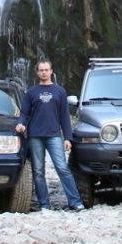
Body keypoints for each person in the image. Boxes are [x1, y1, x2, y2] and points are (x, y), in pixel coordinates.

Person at [15, 60, 85, 212]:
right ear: (37, 72)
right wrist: (21, 124)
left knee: (62, 167)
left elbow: (65, 116)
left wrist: (67, 137)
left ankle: (75, 201)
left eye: (46, 70)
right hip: (35, 136)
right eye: (41, 70)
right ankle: (44, 204)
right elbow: (24, 113)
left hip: (53, 135)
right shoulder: (31, 92)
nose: (44, 73)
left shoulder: (60, 91)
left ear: (51, 71)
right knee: (38, 171)